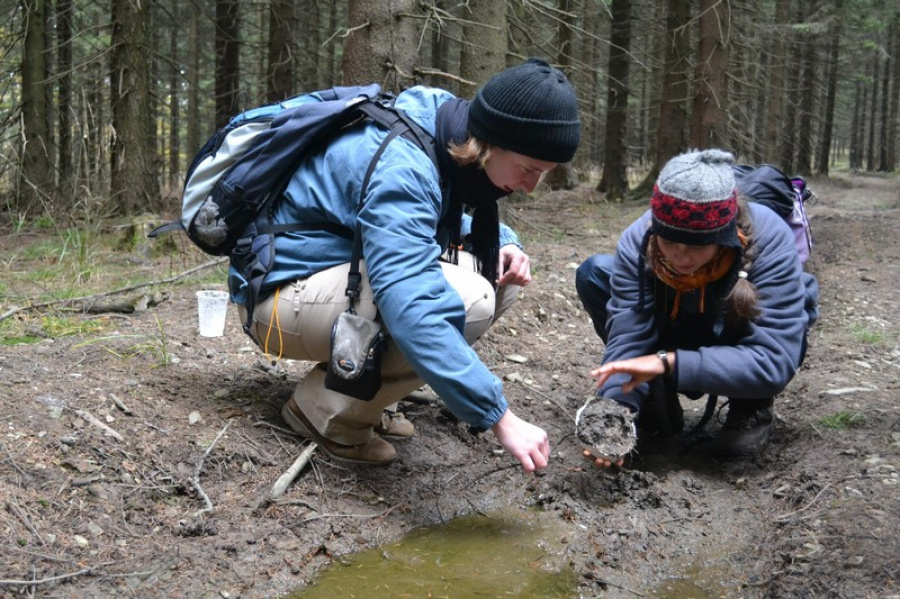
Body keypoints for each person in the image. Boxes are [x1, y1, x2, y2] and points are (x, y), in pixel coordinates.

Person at [228, 58, 581, 471]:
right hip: (278, 298)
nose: (530, 186)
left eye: (545, 173)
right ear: (492, 140)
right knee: (470, 300)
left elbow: (423, 218)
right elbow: (412, 302)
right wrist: (499, 417)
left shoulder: (446, 129)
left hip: (326, 278)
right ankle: (326, 413)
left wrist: (502, 241)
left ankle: (363, 394)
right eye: (529, 169)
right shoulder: (405, 165)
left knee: (497, 276)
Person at [575, 149, 819, 468]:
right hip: (675, 324)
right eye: (669, 243)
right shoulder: (638, 240)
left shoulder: (770, 238)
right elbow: (628, 339)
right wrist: (615, 411)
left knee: (799, 293)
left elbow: (773, 360)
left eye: (697, 246)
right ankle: (648, 396)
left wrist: (668, 363)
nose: (681, 257)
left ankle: (751, 405)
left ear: (726, 237)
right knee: (595, 272)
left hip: (731, 328)